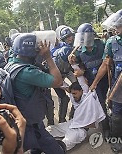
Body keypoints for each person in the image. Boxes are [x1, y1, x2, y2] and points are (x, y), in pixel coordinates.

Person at [4, 33, 66, 153]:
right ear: (31, 53)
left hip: (20, 120)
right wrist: (48, 57)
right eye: (38, 50)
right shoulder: (27, 72)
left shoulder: (11, 64)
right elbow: (58, 81)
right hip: (31, 126)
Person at [69, 23, 110, 136]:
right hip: (93, 83)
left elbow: (108, 62)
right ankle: (105, 128)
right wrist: (79, 69)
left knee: (110, 101)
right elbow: (78, 68)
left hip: (107, 79)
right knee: (101, 103)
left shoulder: (102, 45)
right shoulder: (78, 52)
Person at [90, 14, 122, 153]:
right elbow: (105, 64)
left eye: (118, 25)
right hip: (118, 87)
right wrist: (95, 83)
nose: (115, 28)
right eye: (115, 25)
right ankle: (117, 140)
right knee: (116, 114)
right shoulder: (111, 42)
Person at [46, 78, 106, 150]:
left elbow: (82, 81)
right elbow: (63, 85)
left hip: (80, 130)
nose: (73, 96)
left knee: (65, 143)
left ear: (81, 91)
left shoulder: (88, 99)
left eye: (75, 93)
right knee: (50, 129)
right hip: (72, 123)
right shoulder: (74, 98)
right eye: (72, 93)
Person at [53, 27, 77, 122]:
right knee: (64, 98)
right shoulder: (52, 52)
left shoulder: (75, 45)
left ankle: (73, 117)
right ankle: (62, 120)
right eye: (67, 37)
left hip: (68, 71)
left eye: (70, 36)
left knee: (78, 91)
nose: (69, 39)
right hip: (56, 74)